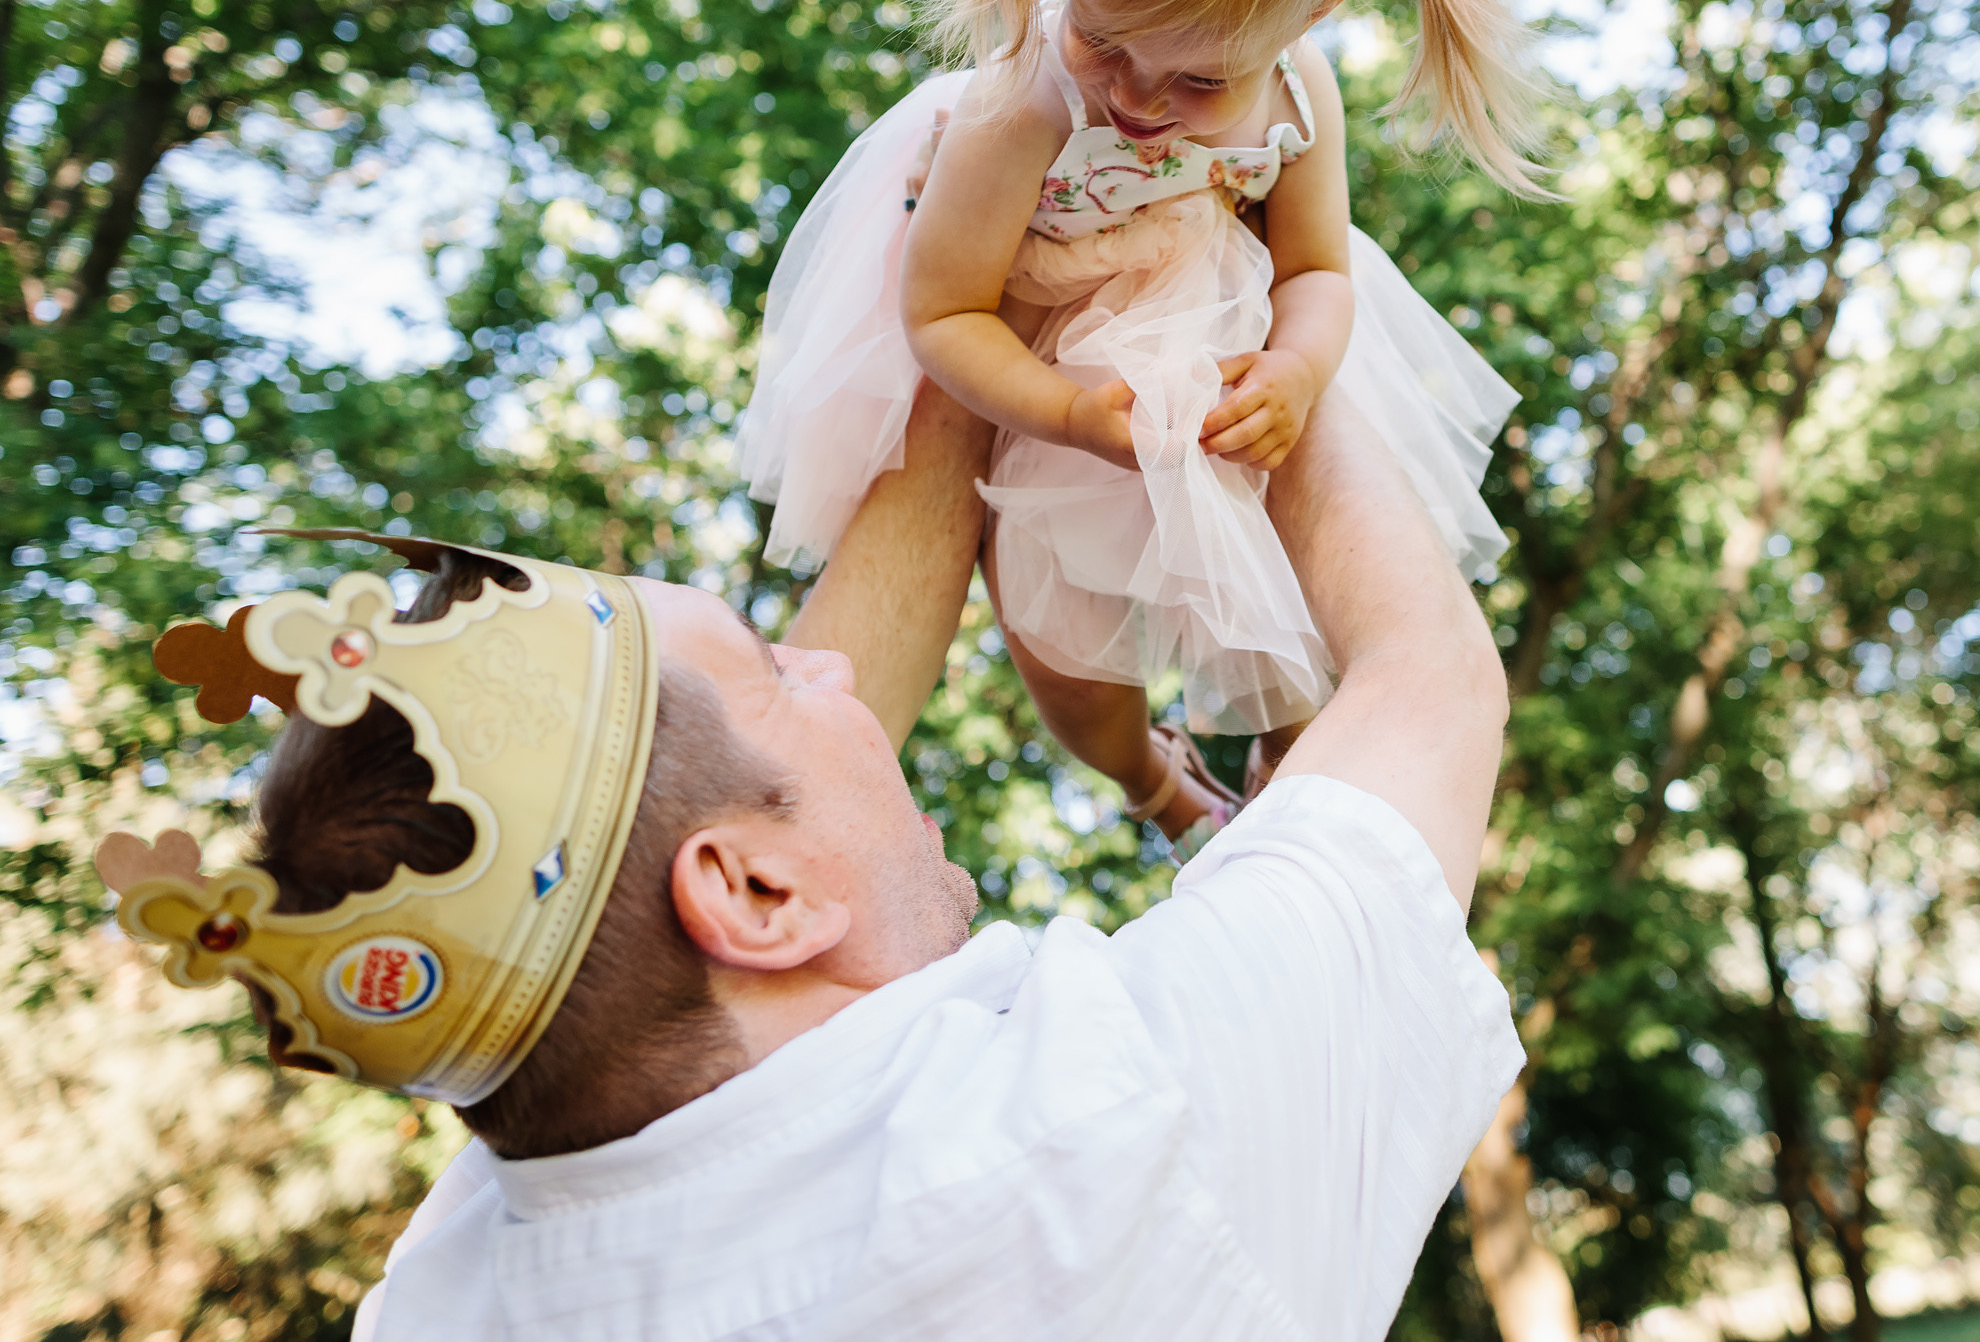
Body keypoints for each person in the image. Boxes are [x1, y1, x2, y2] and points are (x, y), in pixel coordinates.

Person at [95, 384, 1517, 1338]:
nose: (837, 661)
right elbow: (1430, 681)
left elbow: (712, 822)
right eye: (782, 667)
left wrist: (973, 362)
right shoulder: (1087, 1134)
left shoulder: (455, 1286)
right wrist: (1237, 285)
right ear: (757, 895)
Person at [738, 0, 1538, 859]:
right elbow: (943, 312)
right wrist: (1063, 411)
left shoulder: (1301, 91)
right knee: (1072, 676)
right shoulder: (1028, 99)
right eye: (1109, 41)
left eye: (1205, 78)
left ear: (1314, 15)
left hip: (1207, 329)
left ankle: (1285, 768)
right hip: (1037, 366)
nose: (1142, 101)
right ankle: (1148, 782)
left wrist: (1298, 369)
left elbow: (1317, 266)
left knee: (1287, 620)